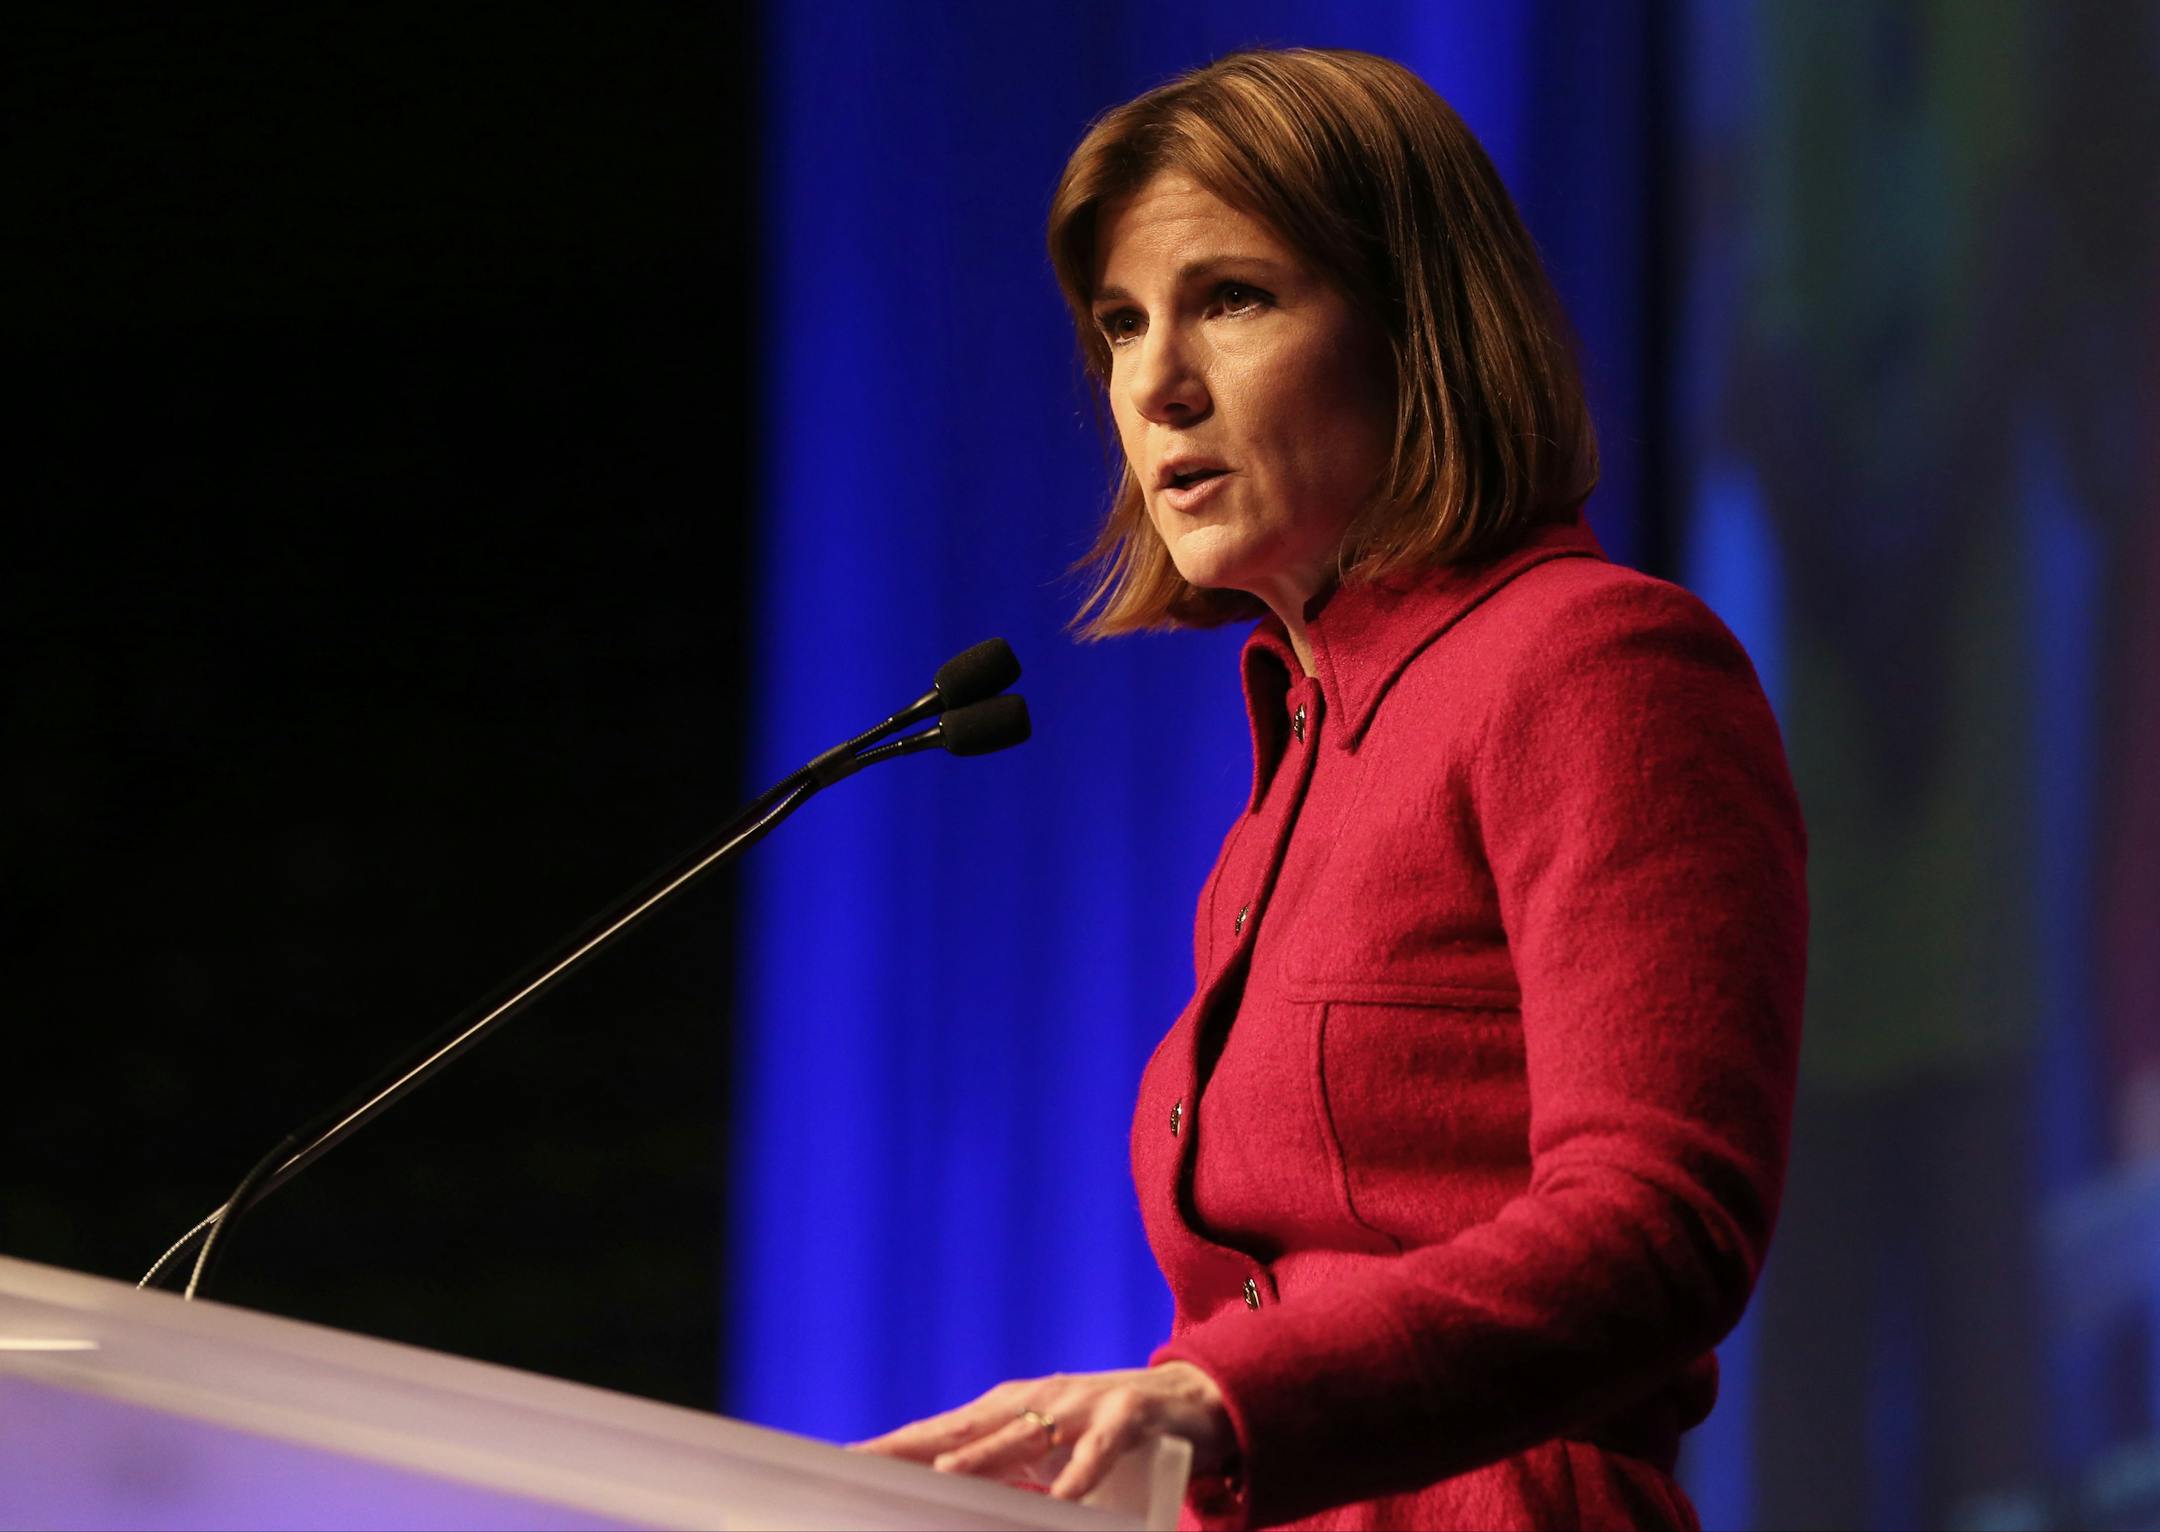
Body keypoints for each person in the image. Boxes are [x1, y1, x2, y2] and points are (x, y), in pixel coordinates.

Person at [853, 48, 1805, 1531]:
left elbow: (1661, 1224)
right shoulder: (1290, 775)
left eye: (1232, 300)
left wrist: (1219, 1399)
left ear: (1416, 329)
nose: (1153, 385)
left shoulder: (1594, 664)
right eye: (1120, 324)